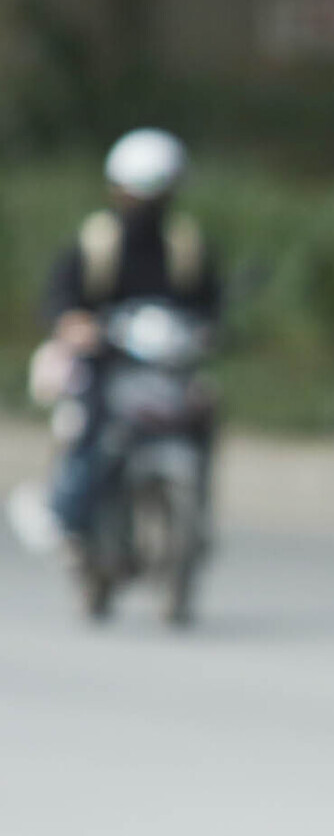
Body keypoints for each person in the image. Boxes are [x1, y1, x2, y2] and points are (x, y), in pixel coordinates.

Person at [36, 128, 222, 538]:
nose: (146, 206)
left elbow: (208, 300)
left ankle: (200, 518)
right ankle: (67, 512)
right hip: (108, 360)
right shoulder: (96, 242)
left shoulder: (185, 244)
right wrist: (74, 322)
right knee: (95, 423)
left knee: (205, 407)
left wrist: (209, 329)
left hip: (164, 363)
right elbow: (61, 295)